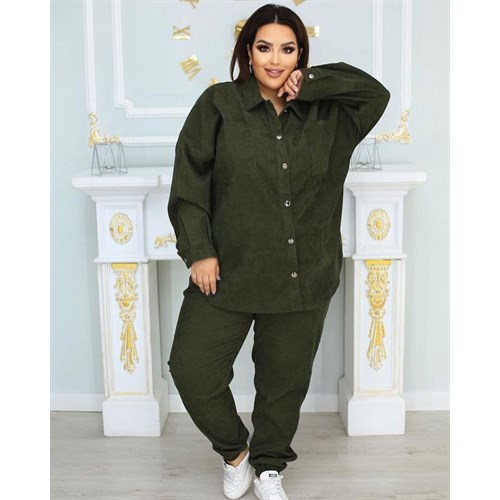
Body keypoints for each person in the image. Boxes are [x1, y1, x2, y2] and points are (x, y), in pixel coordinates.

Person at [167, 4, 390, 499]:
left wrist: (313, 83)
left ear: (301, 55)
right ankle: (236, 453)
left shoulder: (331, 113)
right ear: (247, 52)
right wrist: (199, 251)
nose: (275, 60)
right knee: (192, 369)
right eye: (264, 47)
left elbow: (375, 93)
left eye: (287, 49)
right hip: (228, 271)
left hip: (303, 273)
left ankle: (269, 467)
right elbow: (190, 182)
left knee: (283, 382)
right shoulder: (218, 105)